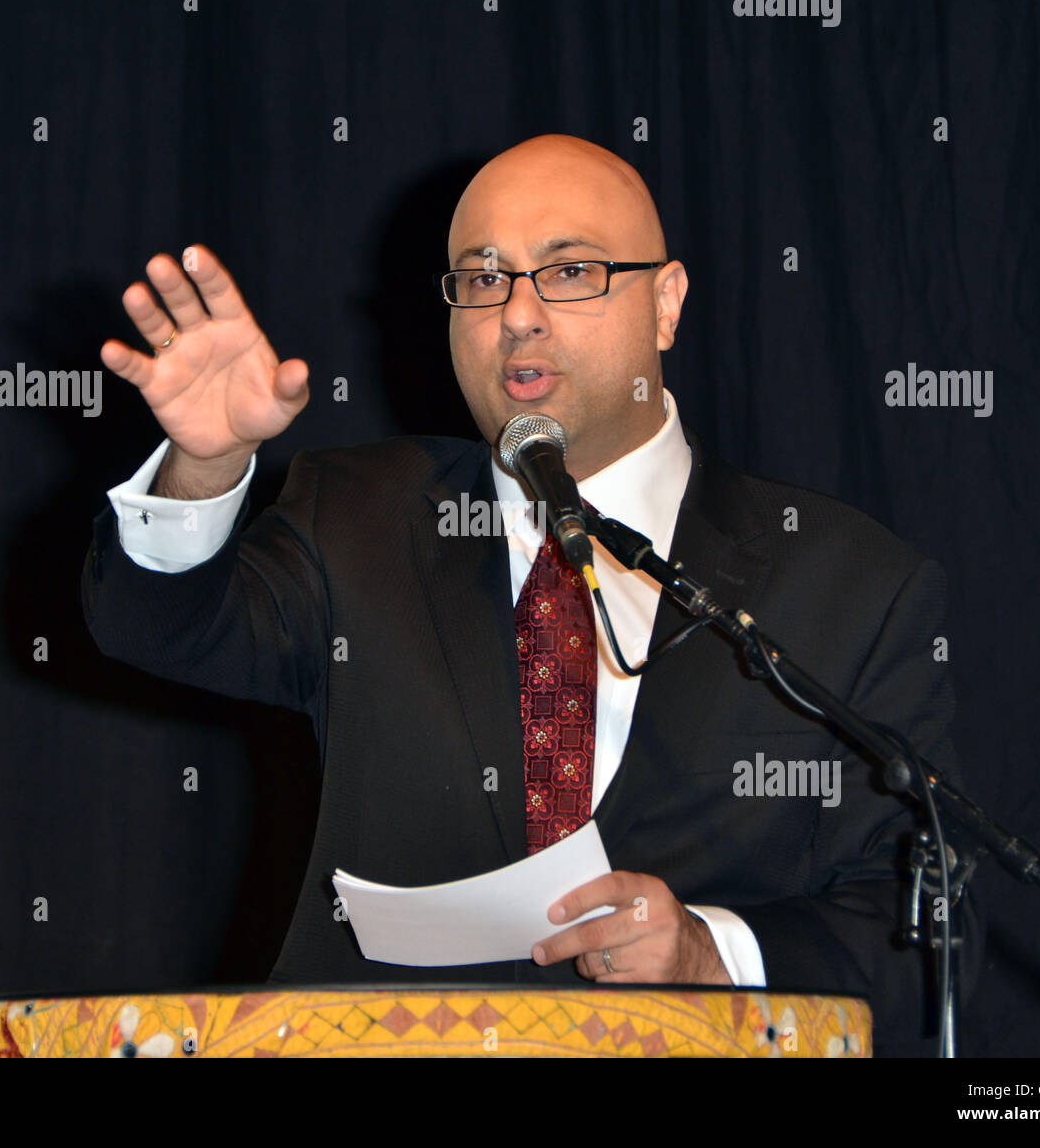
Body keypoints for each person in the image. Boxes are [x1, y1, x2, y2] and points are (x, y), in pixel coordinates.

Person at [83, 133, 973, 1052]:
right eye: (482, 278)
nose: (517, 315)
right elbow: (163, 626)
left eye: (571, 271)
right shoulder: (354, 518)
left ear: (666, 305)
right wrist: (205, 465)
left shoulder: (850, 583)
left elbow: (925, 936)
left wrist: (712, 953)